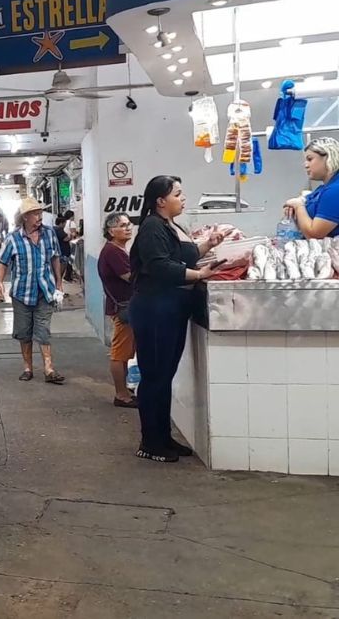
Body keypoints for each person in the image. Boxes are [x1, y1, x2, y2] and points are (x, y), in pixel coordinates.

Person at [128, 176, 224, 463]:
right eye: (178, 194)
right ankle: (150, 443)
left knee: (164, 375)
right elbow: (159, 266)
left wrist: (209, 245)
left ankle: (162, 436)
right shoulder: (151, 228)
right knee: (155, 375)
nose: (183, 199)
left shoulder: (171, 226)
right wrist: (198, 275)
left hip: (171, 307)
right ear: (160, 200)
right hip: (155, 309)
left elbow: (184, 254)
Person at [0, 196, 65, 385]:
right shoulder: (13, 239)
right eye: (35, 213)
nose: (39, 216)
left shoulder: (49, 234)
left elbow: (55, 258)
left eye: (40, 212)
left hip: (45, 291)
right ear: (25, 217)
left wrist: (59, 282)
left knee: (43, 330)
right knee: (24, 332)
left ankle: (49, 369)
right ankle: (28, 368)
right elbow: (2, 261)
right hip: (21, 294)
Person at [283, 137, 339, 239]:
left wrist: (298, 206)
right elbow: (307, 199)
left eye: (310, 159)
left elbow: (314, 235)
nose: (306, 165)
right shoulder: (328, 187)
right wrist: (298, 202)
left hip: (338, 253)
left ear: (328, 158)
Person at [97, 213, 137, 408]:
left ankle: (124, 391)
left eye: (129, 224)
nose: (128, 228)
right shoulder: (113, 252)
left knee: (125, 352)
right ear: (111, 231)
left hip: (126, 306)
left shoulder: (119, 250)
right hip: (123, 308)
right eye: (122, 225)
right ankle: (121, 395)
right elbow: (131, 277)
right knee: (120, 353)